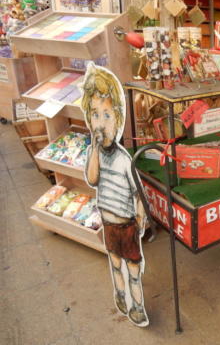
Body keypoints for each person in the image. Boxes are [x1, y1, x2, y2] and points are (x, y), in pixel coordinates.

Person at [81, 63, 149, 327]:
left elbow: (137, 192)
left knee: (133, 269)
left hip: (127, 225)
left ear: (118, 120)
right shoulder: (94, 154)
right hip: (109, 223)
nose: (101, 123)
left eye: (107, 116)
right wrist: (95, 149)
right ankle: (120, 294)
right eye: (96, 115)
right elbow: (93, 178)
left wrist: (141, 217)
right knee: (115, 262)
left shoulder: (123, 159)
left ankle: (138, 306)